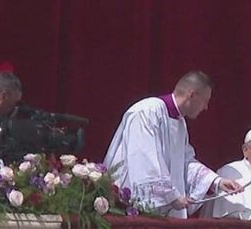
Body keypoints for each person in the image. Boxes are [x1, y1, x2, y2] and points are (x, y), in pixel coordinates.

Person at [104, 71, 242, 218]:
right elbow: (145, 159)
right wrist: (171, 196)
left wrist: (216, 181)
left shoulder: (180, 123)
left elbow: (186, 162)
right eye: (205, 101)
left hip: (164, 212)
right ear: (192, 95)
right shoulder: (147, 111)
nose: (206, 107)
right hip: (131, 207)